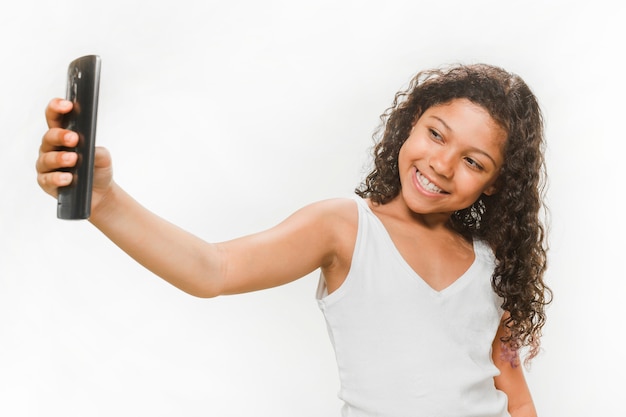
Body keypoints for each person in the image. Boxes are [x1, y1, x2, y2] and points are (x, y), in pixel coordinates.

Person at [36, 63, 551, 417]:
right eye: (437, 134)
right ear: (411, 123)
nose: (441, 164)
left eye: (473, 161)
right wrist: (103, 201)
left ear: (495, 183)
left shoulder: (490, 266)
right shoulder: (346, 228)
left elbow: (515, 397)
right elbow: (212, 269)